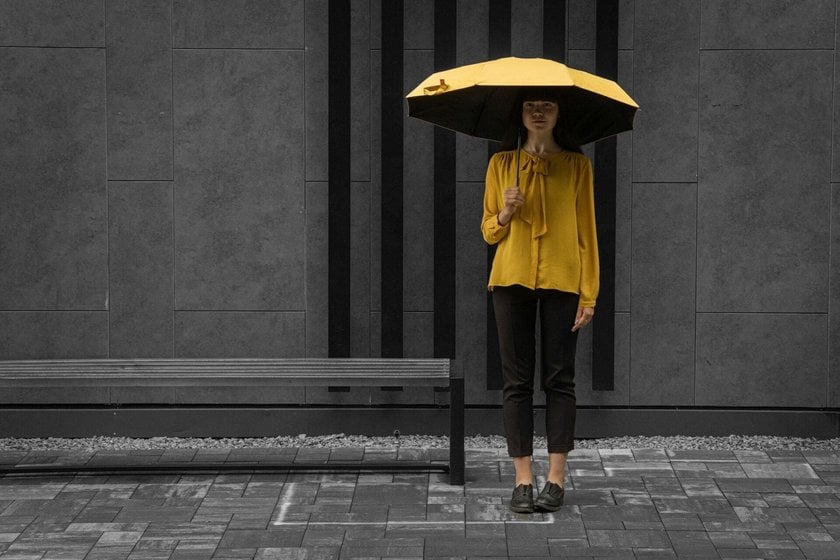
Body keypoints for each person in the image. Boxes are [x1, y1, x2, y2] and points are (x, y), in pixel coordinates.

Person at [481, 89, 599, 513]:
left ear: (558, 113)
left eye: (547, 105)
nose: (538, 112)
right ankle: (523, 479)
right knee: (516, 382)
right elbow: (489, 233)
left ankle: (556, 478)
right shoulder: (502, 164)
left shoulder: (576, 166)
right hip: (511, 279)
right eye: (531, 105)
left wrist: (590, 292)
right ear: (520, 113)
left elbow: (587, 231)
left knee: (559, 379)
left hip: (563, 280)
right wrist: (506, 212)